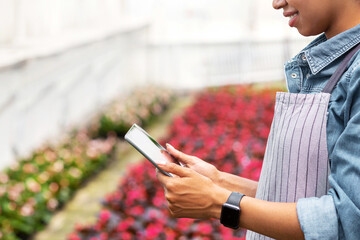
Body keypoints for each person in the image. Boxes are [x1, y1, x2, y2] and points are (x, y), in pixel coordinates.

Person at [156, 0, 360, 239]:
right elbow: (303, 197)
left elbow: (347, 221)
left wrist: (217, 202)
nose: (276, 3)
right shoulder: (335, 67)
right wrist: (218, 181)